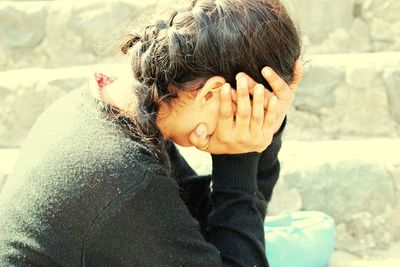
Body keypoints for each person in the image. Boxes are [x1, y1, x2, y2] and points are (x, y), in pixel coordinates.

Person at [0, 0, 302, 266]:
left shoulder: (116, 108)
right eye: (253, 111)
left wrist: (266, 133)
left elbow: (209, 225)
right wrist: (239, 157)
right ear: (212, 94)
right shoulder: (121, 175)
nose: (252, 124)